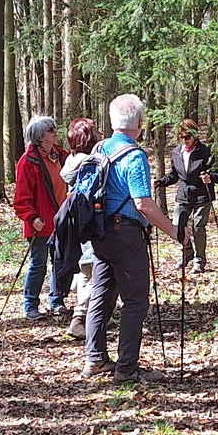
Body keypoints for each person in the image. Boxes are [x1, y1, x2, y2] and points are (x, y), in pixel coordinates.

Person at [84, 94, 183, 384]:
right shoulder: (134, 156)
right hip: (126, 234)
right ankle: (127, 368)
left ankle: (95, 359)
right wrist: (175, 232)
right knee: (136, 301)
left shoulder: (99, 148)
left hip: (100, 233)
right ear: (139, 123)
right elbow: (144, 204)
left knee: (101, 297)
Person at [11, 115, 69, 321]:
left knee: (60, 262)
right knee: (39, 263)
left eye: (54, 128)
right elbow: (21, 199)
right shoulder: (28, 162)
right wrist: (31, 217)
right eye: (50, 130)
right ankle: (30, 305)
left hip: (62, 220)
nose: (55, 132)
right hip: (40, 223)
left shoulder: (62, 155)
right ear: (39, 137)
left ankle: (57, 301)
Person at [160, 118, 218, 273]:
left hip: (202, 195)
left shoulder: (206, 152)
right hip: (184, 194)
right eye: (181, 137)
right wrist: (161, 182)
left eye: (187, 137)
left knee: (198, 227)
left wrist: (210, 178)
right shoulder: (176, 152)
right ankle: (187, 253)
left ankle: (199, 261)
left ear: (194, 135)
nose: (184, 140)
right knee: (177, 225)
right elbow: (174, 175)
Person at [58, 117, 102, 339]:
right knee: (94, 273)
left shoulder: (70, 161)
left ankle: (86, 316)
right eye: (94, 131)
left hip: (77, 224)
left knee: (87, 272)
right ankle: (81, 319)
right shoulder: (88, 163)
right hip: (89, 223)